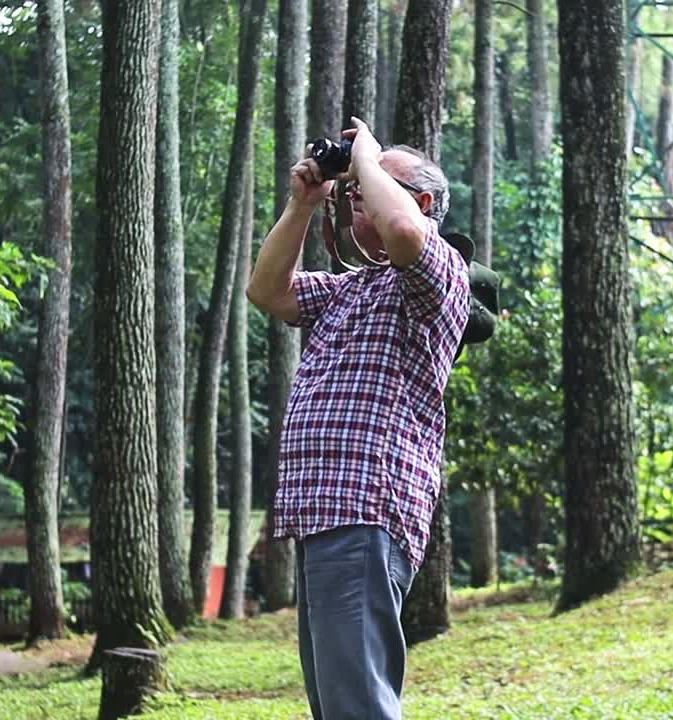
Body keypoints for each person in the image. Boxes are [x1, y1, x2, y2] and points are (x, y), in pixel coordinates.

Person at [246, 116, 470, 719]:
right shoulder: (352, 288)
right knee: (338, 705)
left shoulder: (439, 272)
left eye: (368, 190)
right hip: (326, 514)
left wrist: (366, 153)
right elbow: (267, 291)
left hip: (367, 509)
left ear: (423, 202)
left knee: (357, 708)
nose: (358, 201)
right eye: (354, 193)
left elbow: (400, 227)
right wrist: (304, 204)